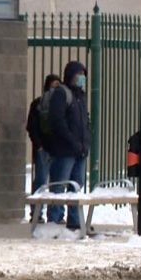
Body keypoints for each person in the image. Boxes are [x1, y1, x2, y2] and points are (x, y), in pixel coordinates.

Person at [43, 61, 90, 231]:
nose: (82, 78)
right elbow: (58, 121)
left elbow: (85, 122)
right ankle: (54, 220)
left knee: (76, 186)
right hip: (65, 149)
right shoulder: (62, 94)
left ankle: (74, 220)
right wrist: (72, 141)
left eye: (83, 74)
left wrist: (85, 143)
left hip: (79, 149)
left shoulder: (80, 96)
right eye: (79, 74)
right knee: (59, 184)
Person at [25, 74, 61, 223]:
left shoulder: (60, 104)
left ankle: (55, 214)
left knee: (56, 182)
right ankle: (37, 213)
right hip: (44, 148)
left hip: (56, 148)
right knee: (41, 180)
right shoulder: (38, 104)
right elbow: (32, 127)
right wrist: (39, 145)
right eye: (53, 85)